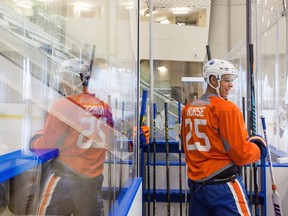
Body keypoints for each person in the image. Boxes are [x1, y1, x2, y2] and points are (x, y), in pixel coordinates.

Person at [30, 58, 150, 216]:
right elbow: (111, 142)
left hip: (64, 183)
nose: (62, 83)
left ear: (73, 78)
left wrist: (35, 139)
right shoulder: (104, 108)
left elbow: (44, 146)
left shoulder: (63, 106)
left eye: (64, 78)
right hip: (92, 184)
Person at [180, 59, 267, 216]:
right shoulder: (227, 109)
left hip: (197, 188)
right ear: (213, 80)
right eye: (226, 80)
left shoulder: (188, 109)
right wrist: (259, 149)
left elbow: (187, 145)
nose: (231, 85)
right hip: (223, 188)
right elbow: (241, 154)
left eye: (231, 80)